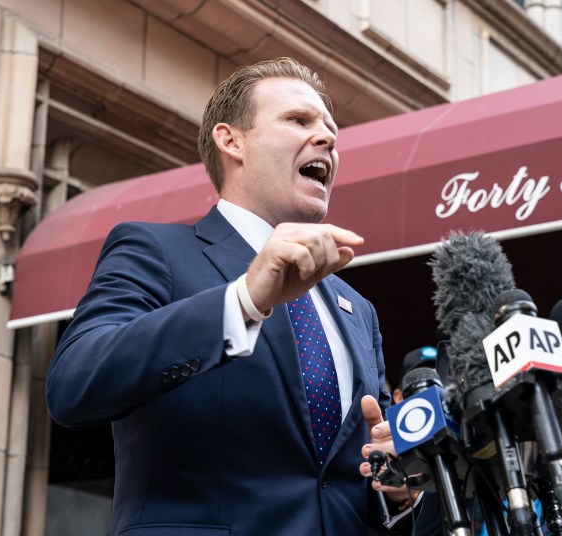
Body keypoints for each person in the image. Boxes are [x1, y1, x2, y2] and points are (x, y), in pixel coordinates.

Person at [46, 57, 412, 536]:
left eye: (330, 130)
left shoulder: (357, 310)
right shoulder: (155, 250)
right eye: (298, 120)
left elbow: (358, 472)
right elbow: (73, 385)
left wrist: (400, 485)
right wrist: (241, 302)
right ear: (231, 140)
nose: (326, 138)